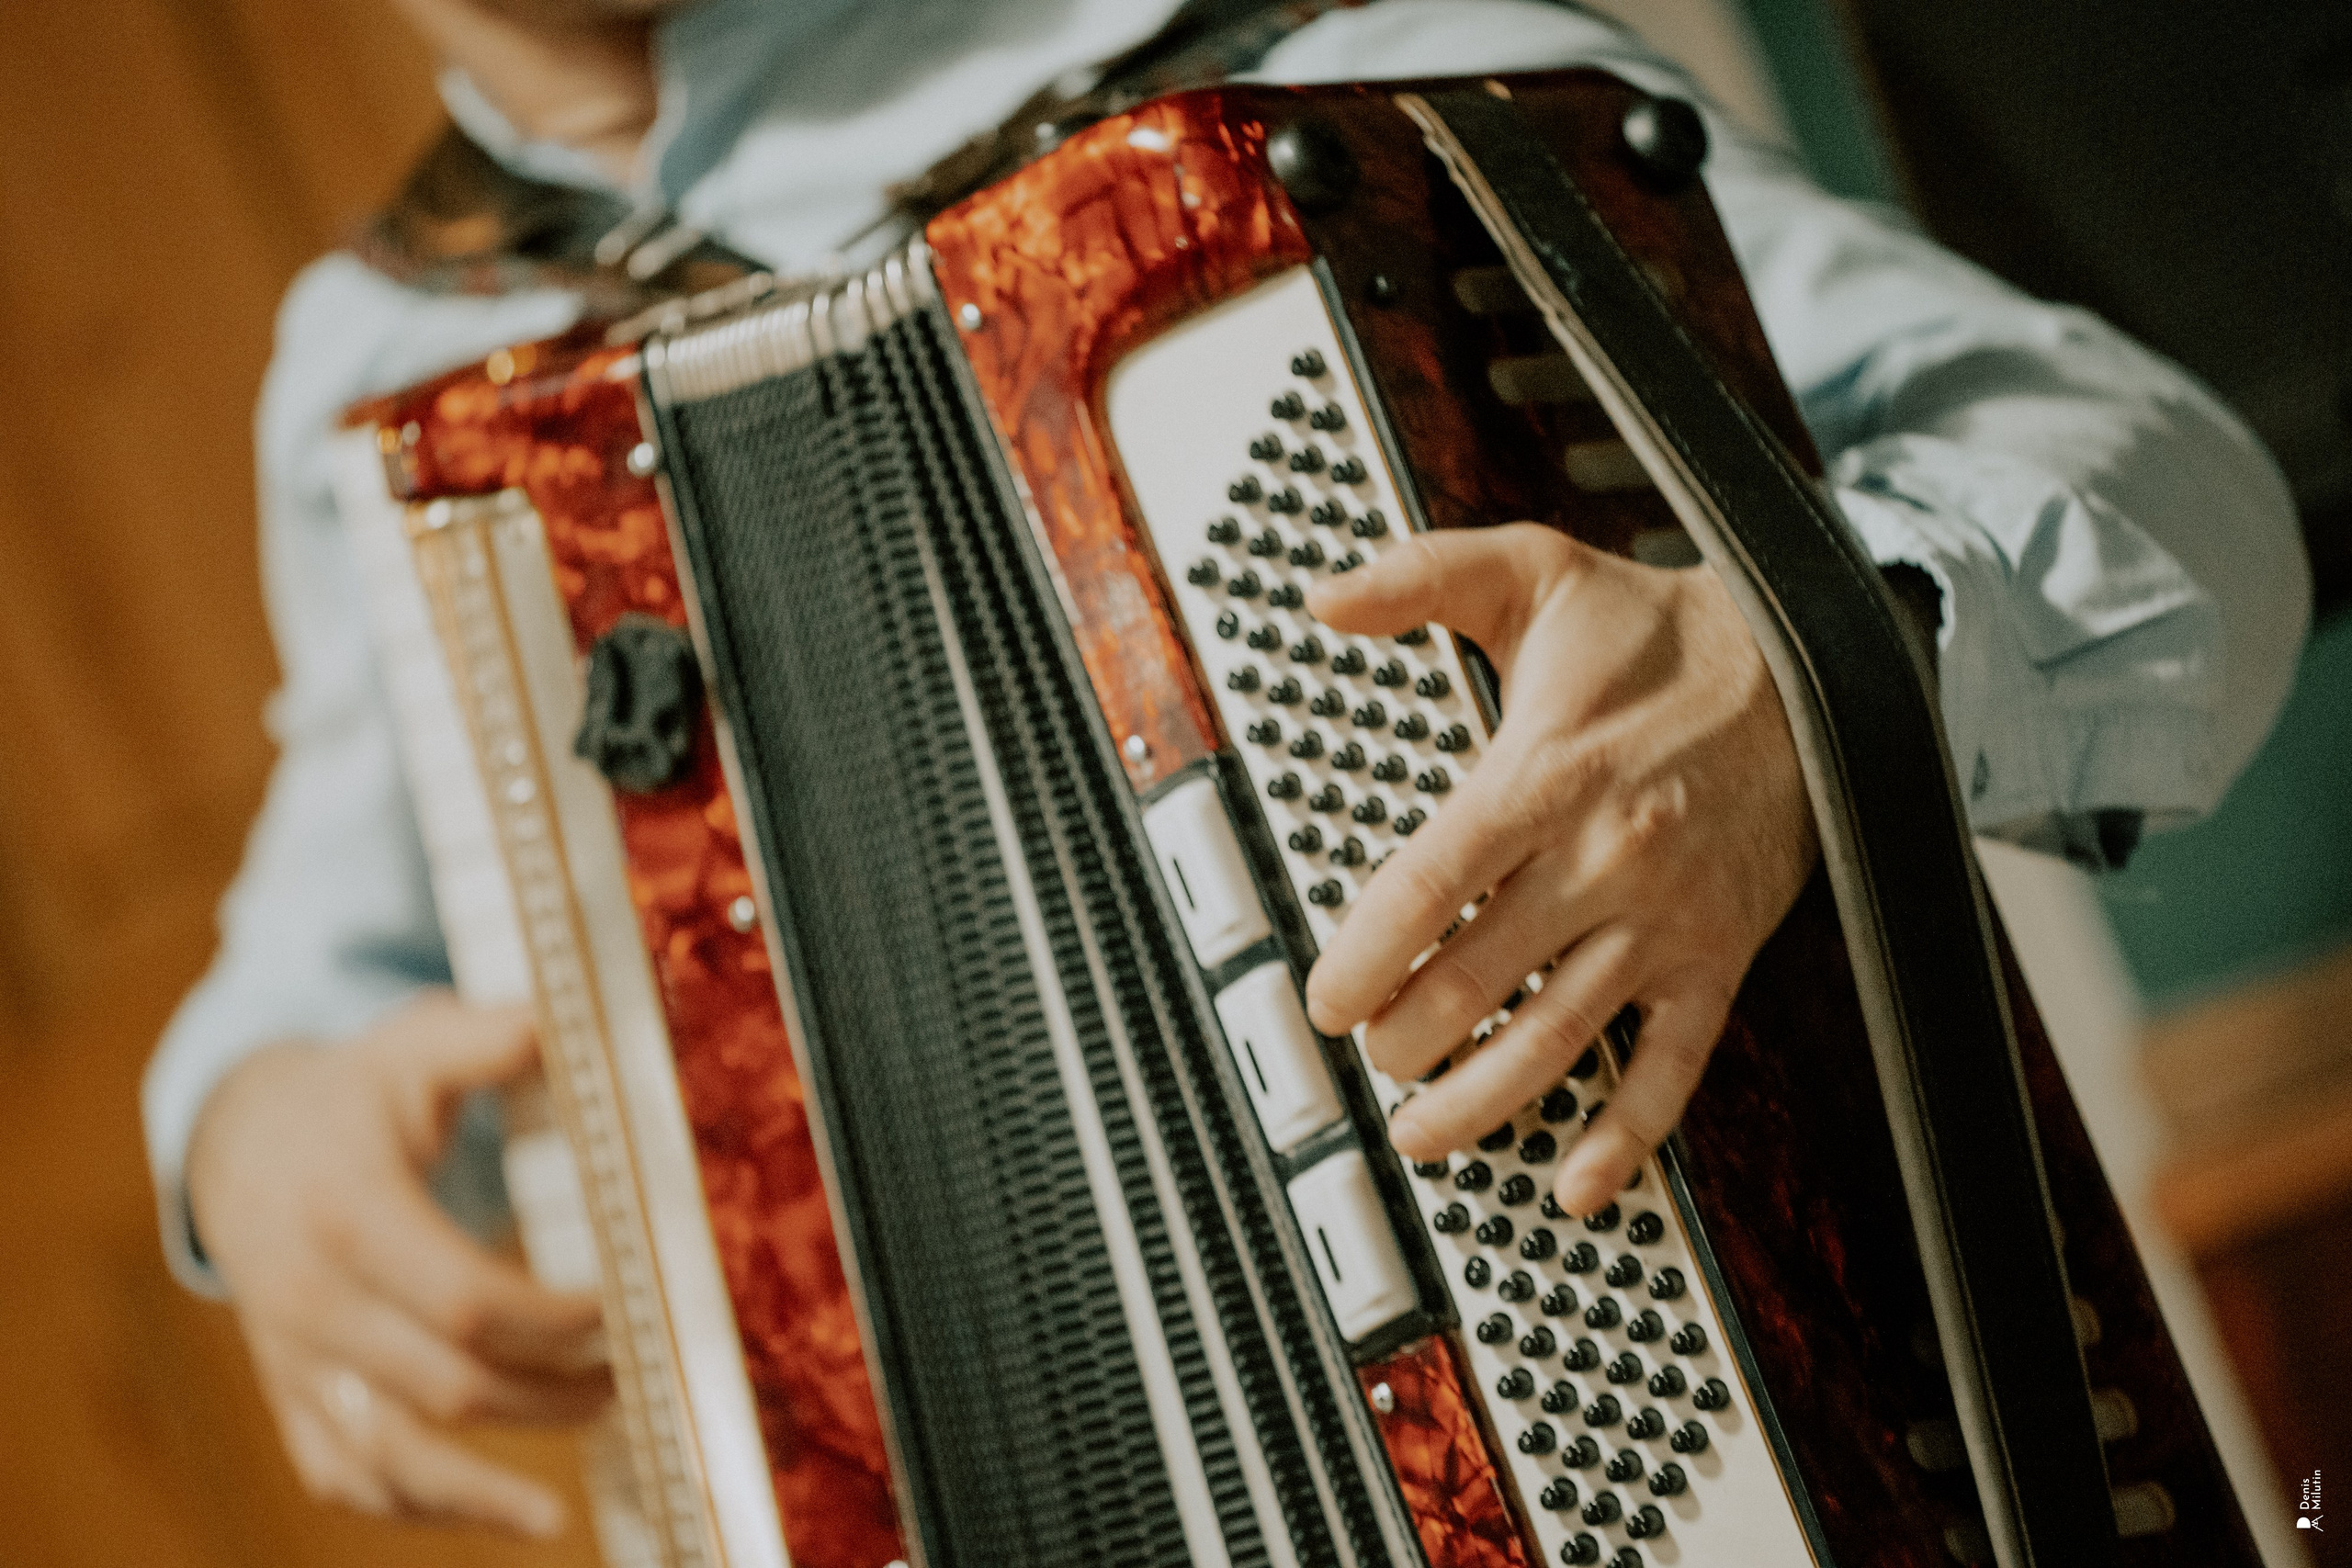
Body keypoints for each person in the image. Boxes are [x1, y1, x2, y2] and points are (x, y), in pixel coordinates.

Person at [144, 0, 2310, 1541]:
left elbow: (2170, 493)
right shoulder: (387, 369)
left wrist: (1793, 653)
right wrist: (256, 1130)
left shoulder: (1323, 54)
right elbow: (319, 950)